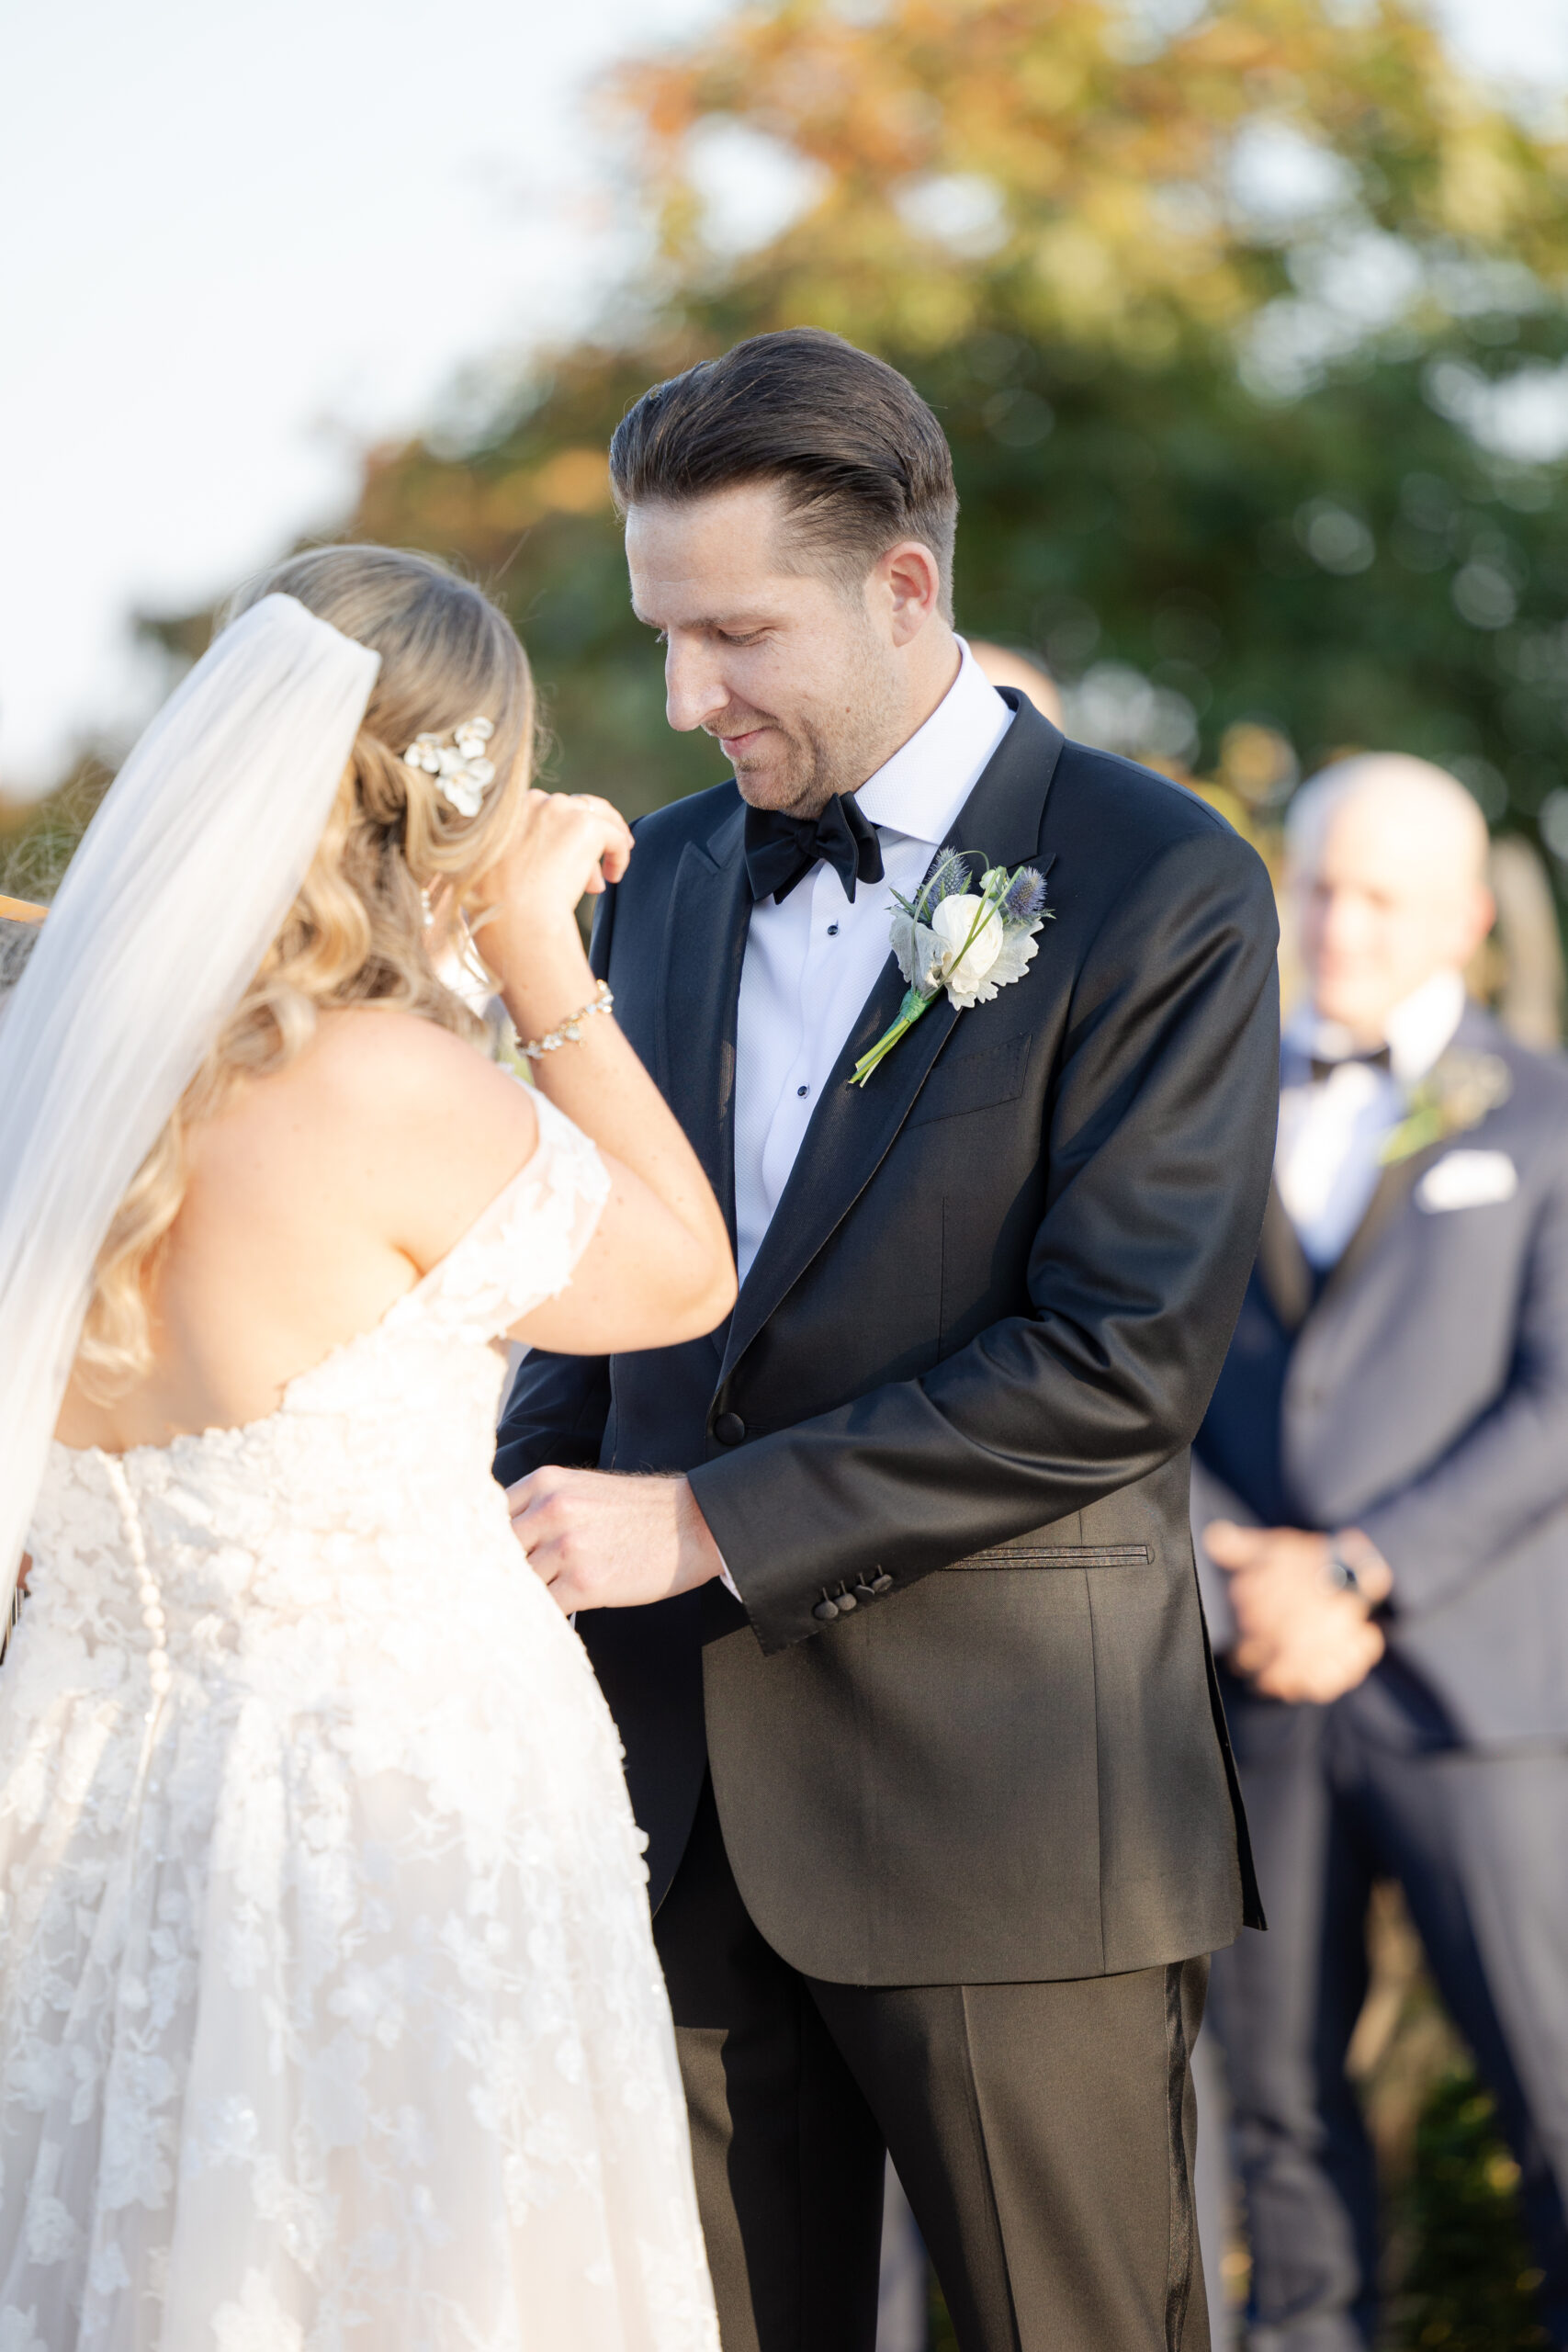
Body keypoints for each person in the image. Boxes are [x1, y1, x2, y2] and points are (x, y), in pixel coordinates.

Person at [497, 326, 1281, 2352]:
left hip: (1008, 1818)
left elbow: (1119, 1357)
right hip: (666, 1820)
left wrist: (707, 1522)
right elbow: (588, 1305)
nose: (687, 696)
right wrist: (505, 1535)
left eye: (735, 633)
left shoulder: (1154, 875)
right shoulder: (657, 882)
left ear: (900, 586)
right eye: (663, 634)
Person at [0, 549, 735, 2348]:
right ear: (455, 802)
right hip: (378, 1797)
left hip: (86, 1772)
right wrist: (543, 955)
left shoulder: (58, 1057)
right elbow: (679, 1265)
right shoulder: (386, 1090)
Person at [1194, 752, 1568, 2350]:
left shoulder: (1547, 1117)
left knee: (1556, 2097)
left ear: (1469, 920)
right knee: (1275, 2119)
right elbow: (1121, 1371)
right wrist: (1233, 1564)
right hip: (1254, 1682)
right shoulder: (1190, 1107)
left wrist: (1358, 1569)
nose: (1339, 925)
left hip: (1474, 1693)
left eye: (1383, 896)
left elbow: (1559, 1404)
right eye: (1322, 885)